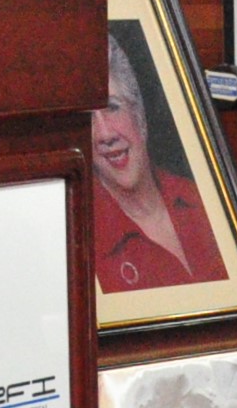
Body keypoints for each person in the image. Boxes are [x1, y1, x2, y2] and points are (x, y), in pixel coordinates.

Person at [91, 33, 229, 293]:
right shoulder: (85, 241)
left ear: (138, 113)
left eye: (112, 107)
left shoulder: (205, 199)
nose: (105, 134)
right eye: (86, 119)